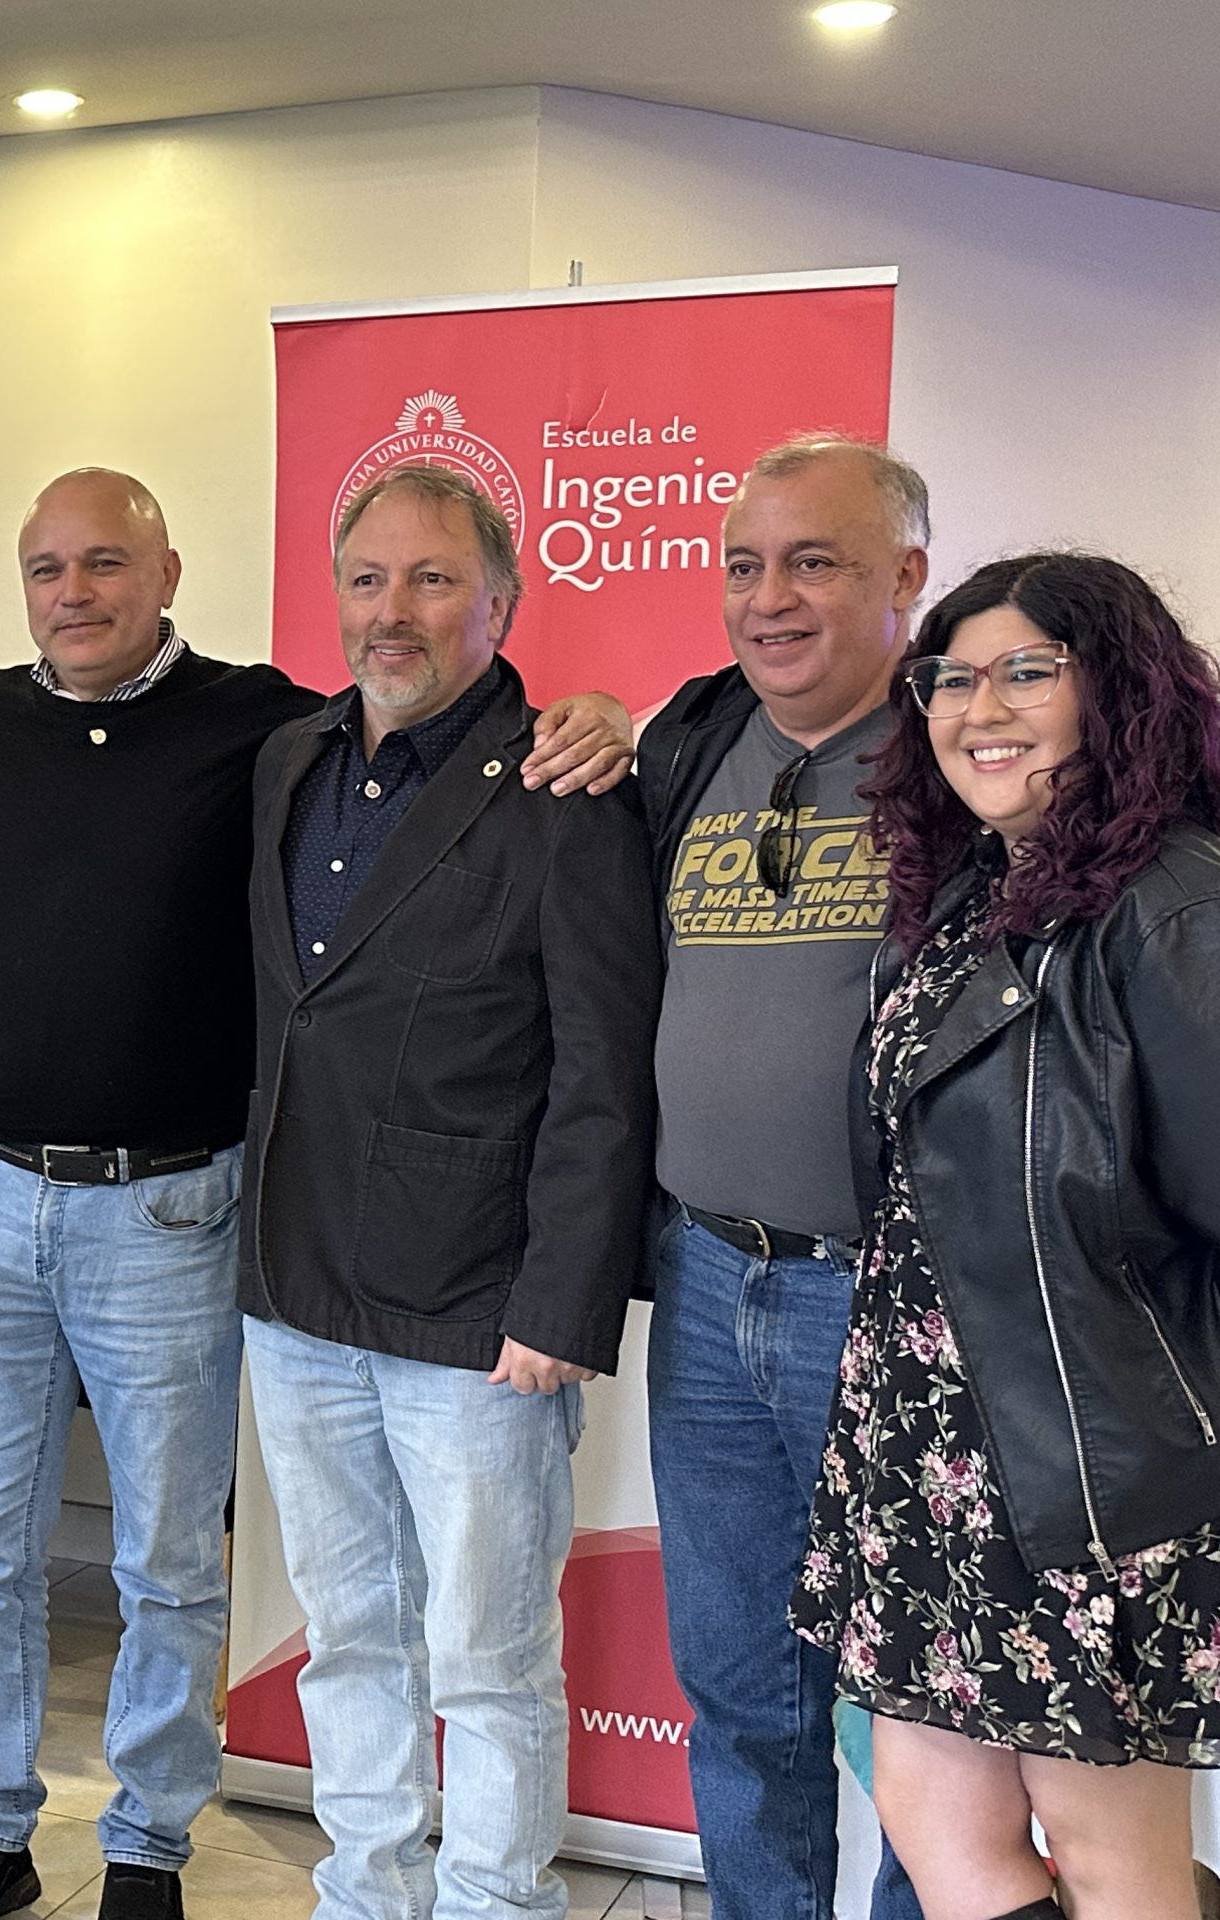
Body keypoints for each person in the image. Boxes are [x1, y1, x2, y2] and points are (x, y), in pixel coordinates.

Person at [0, 470, 633, 1920]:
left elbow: (443, 745)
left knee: (166, 1565)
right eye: (47, 569)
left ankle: (150, 1844)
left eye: (105, 563)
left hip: (170, 1216)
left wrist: (600, 715)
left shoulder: (266, 728)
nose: (74, 593)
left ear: (166, 575)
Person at [239, 464, 661, 1919]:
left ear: (501, 602)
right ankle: (364, 1894)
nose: (393, 611)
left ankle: (495, 1904)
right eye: (367, 579)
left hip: (479, 1311)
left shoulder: (566, 785)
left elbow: (605, 1072)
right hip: (296, 1287)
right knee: (348, 1634)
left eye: (431, 580)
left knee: (487, 1661)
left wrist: (561, 1305)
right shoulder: (289, 761)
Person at [792, 552, 1220, 1920]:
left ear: (1120, 691)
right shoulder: (972, 891)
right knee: (937, 1823)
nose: (981, 709)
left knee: (1107, 1858)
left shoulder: (1172, 902)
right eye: (952, 678)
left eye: (1028, 672)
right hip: (930, 1447)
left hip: (1082, 1465)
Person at [637, 435, 929, 1920]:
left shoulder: (966, 761)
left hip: (888, 1302)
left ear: (907, 577)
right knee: (741, 1686)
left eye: (815, 561)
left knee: (924, 1711)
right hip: (704, 1284)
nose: (771, 599)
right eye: (745, 565)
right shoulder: (692, 741)